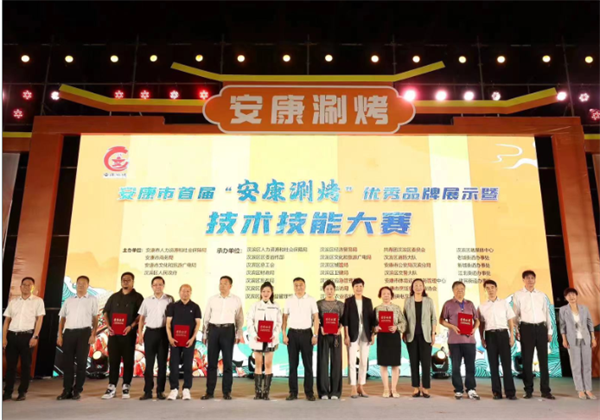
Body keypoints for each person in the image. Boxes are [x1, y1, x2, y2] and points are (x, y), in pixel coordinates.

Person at [513, 270, 555, 399]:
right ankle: (528, 390)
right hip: (526, 328)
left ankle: (546, 390)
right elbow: (515, 314)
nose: (530, 280)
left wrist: (549, 331)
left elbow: (546, 313)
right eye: (527, 278)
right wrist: (517, 330)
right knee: (527, 360)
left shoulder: (541, 295)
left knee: (543, 360)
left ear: (535, 279)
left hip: (541, 328)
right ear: (523, 280)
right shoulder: (518, 294)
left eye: (532, 278)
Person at [101, 272, 144, 399]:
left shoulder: (138, 297)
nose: (126, 282)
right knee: (113, 360)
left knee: (128, 361)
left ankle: (126, 386)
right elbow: (106, 312)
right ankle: (111, 386)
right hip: (114, 335)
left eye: (128, 280)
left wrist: (131, 326)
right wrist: (108, 326)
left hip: (128, 335)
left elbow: (141, 315)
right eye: (124, 280)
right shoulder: (114, 297)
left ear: (133, 282)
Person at [2, 277, 46, 401]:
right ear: (20, 287)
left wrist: (35, 336)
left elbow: (39, 320)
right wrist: (3, 338)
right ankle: (7, 392)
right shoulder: (14, 301)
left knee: (26, 366)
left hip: (27, 336)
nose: (26, 287)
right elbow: (7, 321)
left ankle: (22, 392)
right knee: (11, 366)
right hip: (12, 335)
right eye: (24, 285)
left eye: (29, 285)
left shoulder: (38, 301)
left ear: (33, 287)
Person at [56, 275, 98, 400]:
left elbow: (95, 318)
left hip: (84, 333)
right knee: (67, 363)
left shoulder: (92, 299)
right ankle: (66, 390)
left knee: (81, 362)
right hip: (69, 333)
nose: (81, 285)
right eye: (79, 283)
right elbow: (62, 318)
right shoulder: (69, 300)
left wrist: (93, 334)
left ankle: (77, 390)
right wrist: (60, 335)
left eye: (84, 283)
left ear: (88, 285)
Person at [202, 276, 244, 400]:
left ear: (230, 286)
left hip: (228, 330)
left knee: (227, 363)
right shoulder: (212, 299)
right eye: (220, 283)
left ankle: (227, 392)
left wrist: (238, 333)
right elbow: (206, 317)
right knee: (211, 363)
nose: (222, 286)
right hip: (213, 330)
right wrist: (205, 334)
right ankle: (209, 392)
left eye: (225, 283)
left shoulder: (236, 300)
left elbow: (239, 318)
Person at [440, 281, 480, 400]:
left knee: (470, 366)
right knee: (455, 366)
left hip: (469, 340)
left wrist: (474, 328)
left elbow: (477, 319)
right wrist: (452, 327)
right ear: (453, 291)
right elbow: (441, 320)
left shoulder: (470, 304)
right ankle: (458, 389)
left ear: (465, 290)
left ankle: (471, 389)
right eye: (457, 289)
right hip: (454, 341)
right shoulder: (448, 304)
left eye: (462, 289)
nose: (460, 291)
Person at [477, 279, 517, 400]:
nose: (490, 290)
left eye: (492, 287)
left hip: (503, 334)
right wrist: (482, 338)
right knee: (493, 365)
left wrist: (512, 336)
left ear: (496, 289)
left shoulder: (504, 303)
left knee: (506, 364)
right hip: (490, 336)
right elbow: (481, 324)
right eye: (487, 288)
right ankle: (496, 392)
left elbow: (510, 320)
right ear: (485, 291)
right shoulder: (482, 306)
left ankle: (510, 392)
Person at [282, 277, 319, 401]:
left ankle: (309, 392)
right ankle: (293, 392)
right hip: (292, 334)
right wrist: (284, 334)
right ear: (293, 286)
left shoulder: (311, 299)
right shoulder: (289, 300)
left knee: (308, 365)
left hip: (307, 334)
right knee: (293, 365)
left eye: (301, 285)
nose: (298, 287)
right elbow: (284, 318)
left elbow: (316, 318)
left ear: (305, 285)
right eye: (296, 285)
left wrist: (315, 335)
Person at [137, 276, 174, 400]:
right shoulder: (147, 300)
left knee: (162, 364)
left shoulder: (169, 300)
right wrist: (140, 334)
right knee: (149, 364)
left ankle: (160, 391)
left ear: (163, 286)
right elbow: (141, 318)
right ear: (152, 286)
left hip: (163, 333)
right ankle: (147, 391)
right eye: (155, 284)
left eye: (160, 284)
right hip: (150, 333)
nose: (158, 287)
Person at [559, 287, 597, 400]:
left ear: (577, 296)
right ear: (565, 297)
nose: (572, 297)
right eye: (569, 295)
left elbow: (590, 323)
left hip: (585, 339)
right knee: (576, 365)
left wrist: (593, 338)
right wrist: (564, 339)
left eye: (573, 294)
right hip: (572, 340)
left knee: (587, 365)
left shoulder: (584, 308)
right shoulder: (563, 309)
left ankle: (588, 390)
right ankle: (580, 390)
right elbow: (562, 326)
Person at [246, 282, 282, 400]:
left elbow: (279, 323)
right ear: (261, 293)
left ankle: (266, 392)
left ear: (271, 293)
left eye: (268, 291)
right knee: (258, 364)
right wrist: (254, 334)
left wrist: (274, 334)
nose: (266, 294)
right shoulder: (255, 306)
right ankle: (258, 392)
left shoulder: (276, 306)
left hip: (271, 340)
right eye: (263, 291)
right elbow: (249, 321)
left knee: (268, 364)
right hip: (257, 339)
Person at [166, 284, 202, 400]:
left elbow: (197, 324)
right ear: (179, 292)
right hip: (174, 341)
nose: (185, 293)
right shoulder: (172, 306)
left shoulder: (195, 307)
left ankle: (186, 389)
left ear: (190, 293)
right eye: (183, 291)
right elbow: (168, 324)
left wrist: (192, 338)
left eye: (187, 291)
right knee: (173, 364)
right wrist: (170, 338)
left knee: (187, 364)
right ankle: (174, 389)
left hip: (189, 341)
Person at [403, 278, 437, 398]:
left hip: (426, 336)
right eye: (415, 285)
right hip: (411, 336)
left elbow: (434, 318)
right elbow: (404, 318)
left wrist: (433, 334)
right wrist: (403, 332)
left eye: (420, 285)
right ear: (412, 288)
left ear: (423, 287)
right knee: (413, 362)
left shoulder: (429, 301)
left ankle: (425, 388)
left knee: (426, 363)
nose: (418, 287)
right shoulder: (408, 301)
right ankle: (416, 388)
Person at [342, 278, 375, 399]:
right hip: (352, 334)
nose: (359, 288)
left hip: (366, 334)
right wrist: (346, 335)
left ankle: (361, 386)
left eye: (360, 286)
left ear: (363, 287)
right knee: (351, 361)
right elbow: (345, 320)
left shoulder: (368, 301)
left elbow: (372, 319)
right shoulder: (348, 301)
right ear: (353, 288)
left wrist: (372, 334)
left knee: (364, 361)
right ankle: (353, 387)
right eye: (356, 286)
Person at [374, 286, 406, 398]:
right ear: (380, 295)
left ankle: (394, 389)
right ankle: (386, 389)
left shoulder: (397, 308)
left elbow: (403, 323)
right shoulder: (376, 309)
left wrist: (396, 327)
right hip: (382, 338)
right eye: (384, 293)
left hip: (394, 338)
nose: (386, 295)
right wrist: (375, 328)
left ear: (391, 295)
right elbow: (372, 324)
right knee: (383, 364)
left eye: (388, 293)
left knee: (395, 365)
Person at [316, 280, 344, 400]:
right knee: (322, 362)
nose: (329, 291)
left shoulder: (340, 305)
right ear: (324, 290)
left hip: (336, 335)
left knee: (336, 362)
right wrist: (320, 328)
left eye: (331, 289)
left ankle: (335, 392)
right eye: (327, 289)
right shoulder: (319, 304)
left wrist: (340, 329)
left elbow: (343, 320)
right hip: (323, 334)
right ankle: (323, 392)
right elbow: (315, 319)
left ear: (334, 290)